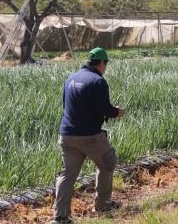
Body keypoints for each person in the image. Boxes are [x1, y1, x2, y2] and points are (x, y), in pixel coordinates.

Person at [53, 47, 124, 223]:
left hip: (67, 135)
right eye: (106, 64)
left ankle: (60, 217)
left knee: (67, 175)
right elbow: (105, 109)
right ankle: (102, 204)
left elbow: (65, 104)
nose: (105, 68)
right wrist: (117, 112)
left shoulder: (71, 78)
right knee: (108, 163)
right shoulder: (98, 81)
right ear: (101, 63)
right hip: (90, 137)